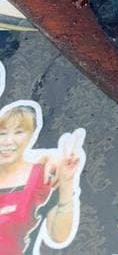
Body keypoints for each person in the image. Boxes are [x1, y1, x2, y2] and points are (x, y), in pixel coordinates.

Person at [0, 102, 84, 253]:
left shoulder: (42, 175)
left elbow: (58, 235)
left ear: (32, 134)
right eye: (2, 133)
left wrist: (67, 182)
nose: (7, 141)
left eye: (19, 132)